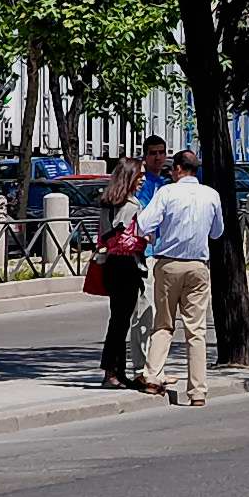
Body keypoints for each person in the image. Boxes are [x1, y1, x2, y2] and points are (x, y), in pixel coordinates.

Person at [133, 151, 224, 406]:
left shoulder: (167, 192)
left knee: (163, 323)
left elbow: (143, 224)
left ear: (178, 169)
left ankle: (152, 377)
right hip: (198, 267)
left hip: (168, 264)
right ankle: (197, 392)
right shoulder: (212, 195)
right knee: (196, 330)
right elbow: (217, 233)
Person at [97, 159, 148, 388]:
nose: (143, 179)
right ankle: (112, 372)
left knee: (117, 319)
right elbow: (128, 237)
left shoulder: (107, 203)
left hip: (110, 265)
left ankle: (116, 370)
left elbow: (105, 235)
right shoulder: (130, 205)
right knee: (120, 322)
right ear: (130, 177)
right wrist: (144, 239)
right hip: (127, 265)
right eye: (140, 176)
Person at [129, 135, 169, 379]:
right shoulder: (141, 184)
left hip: (162, 253)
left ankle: (154, 365)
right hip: (143, 253)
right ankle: (140, 365)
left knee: (158, 312)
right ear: (145, 155)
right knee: (143, 309)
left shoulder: (165, 185)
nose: (158, 157)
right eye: (153, 153)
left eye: (161, 152)